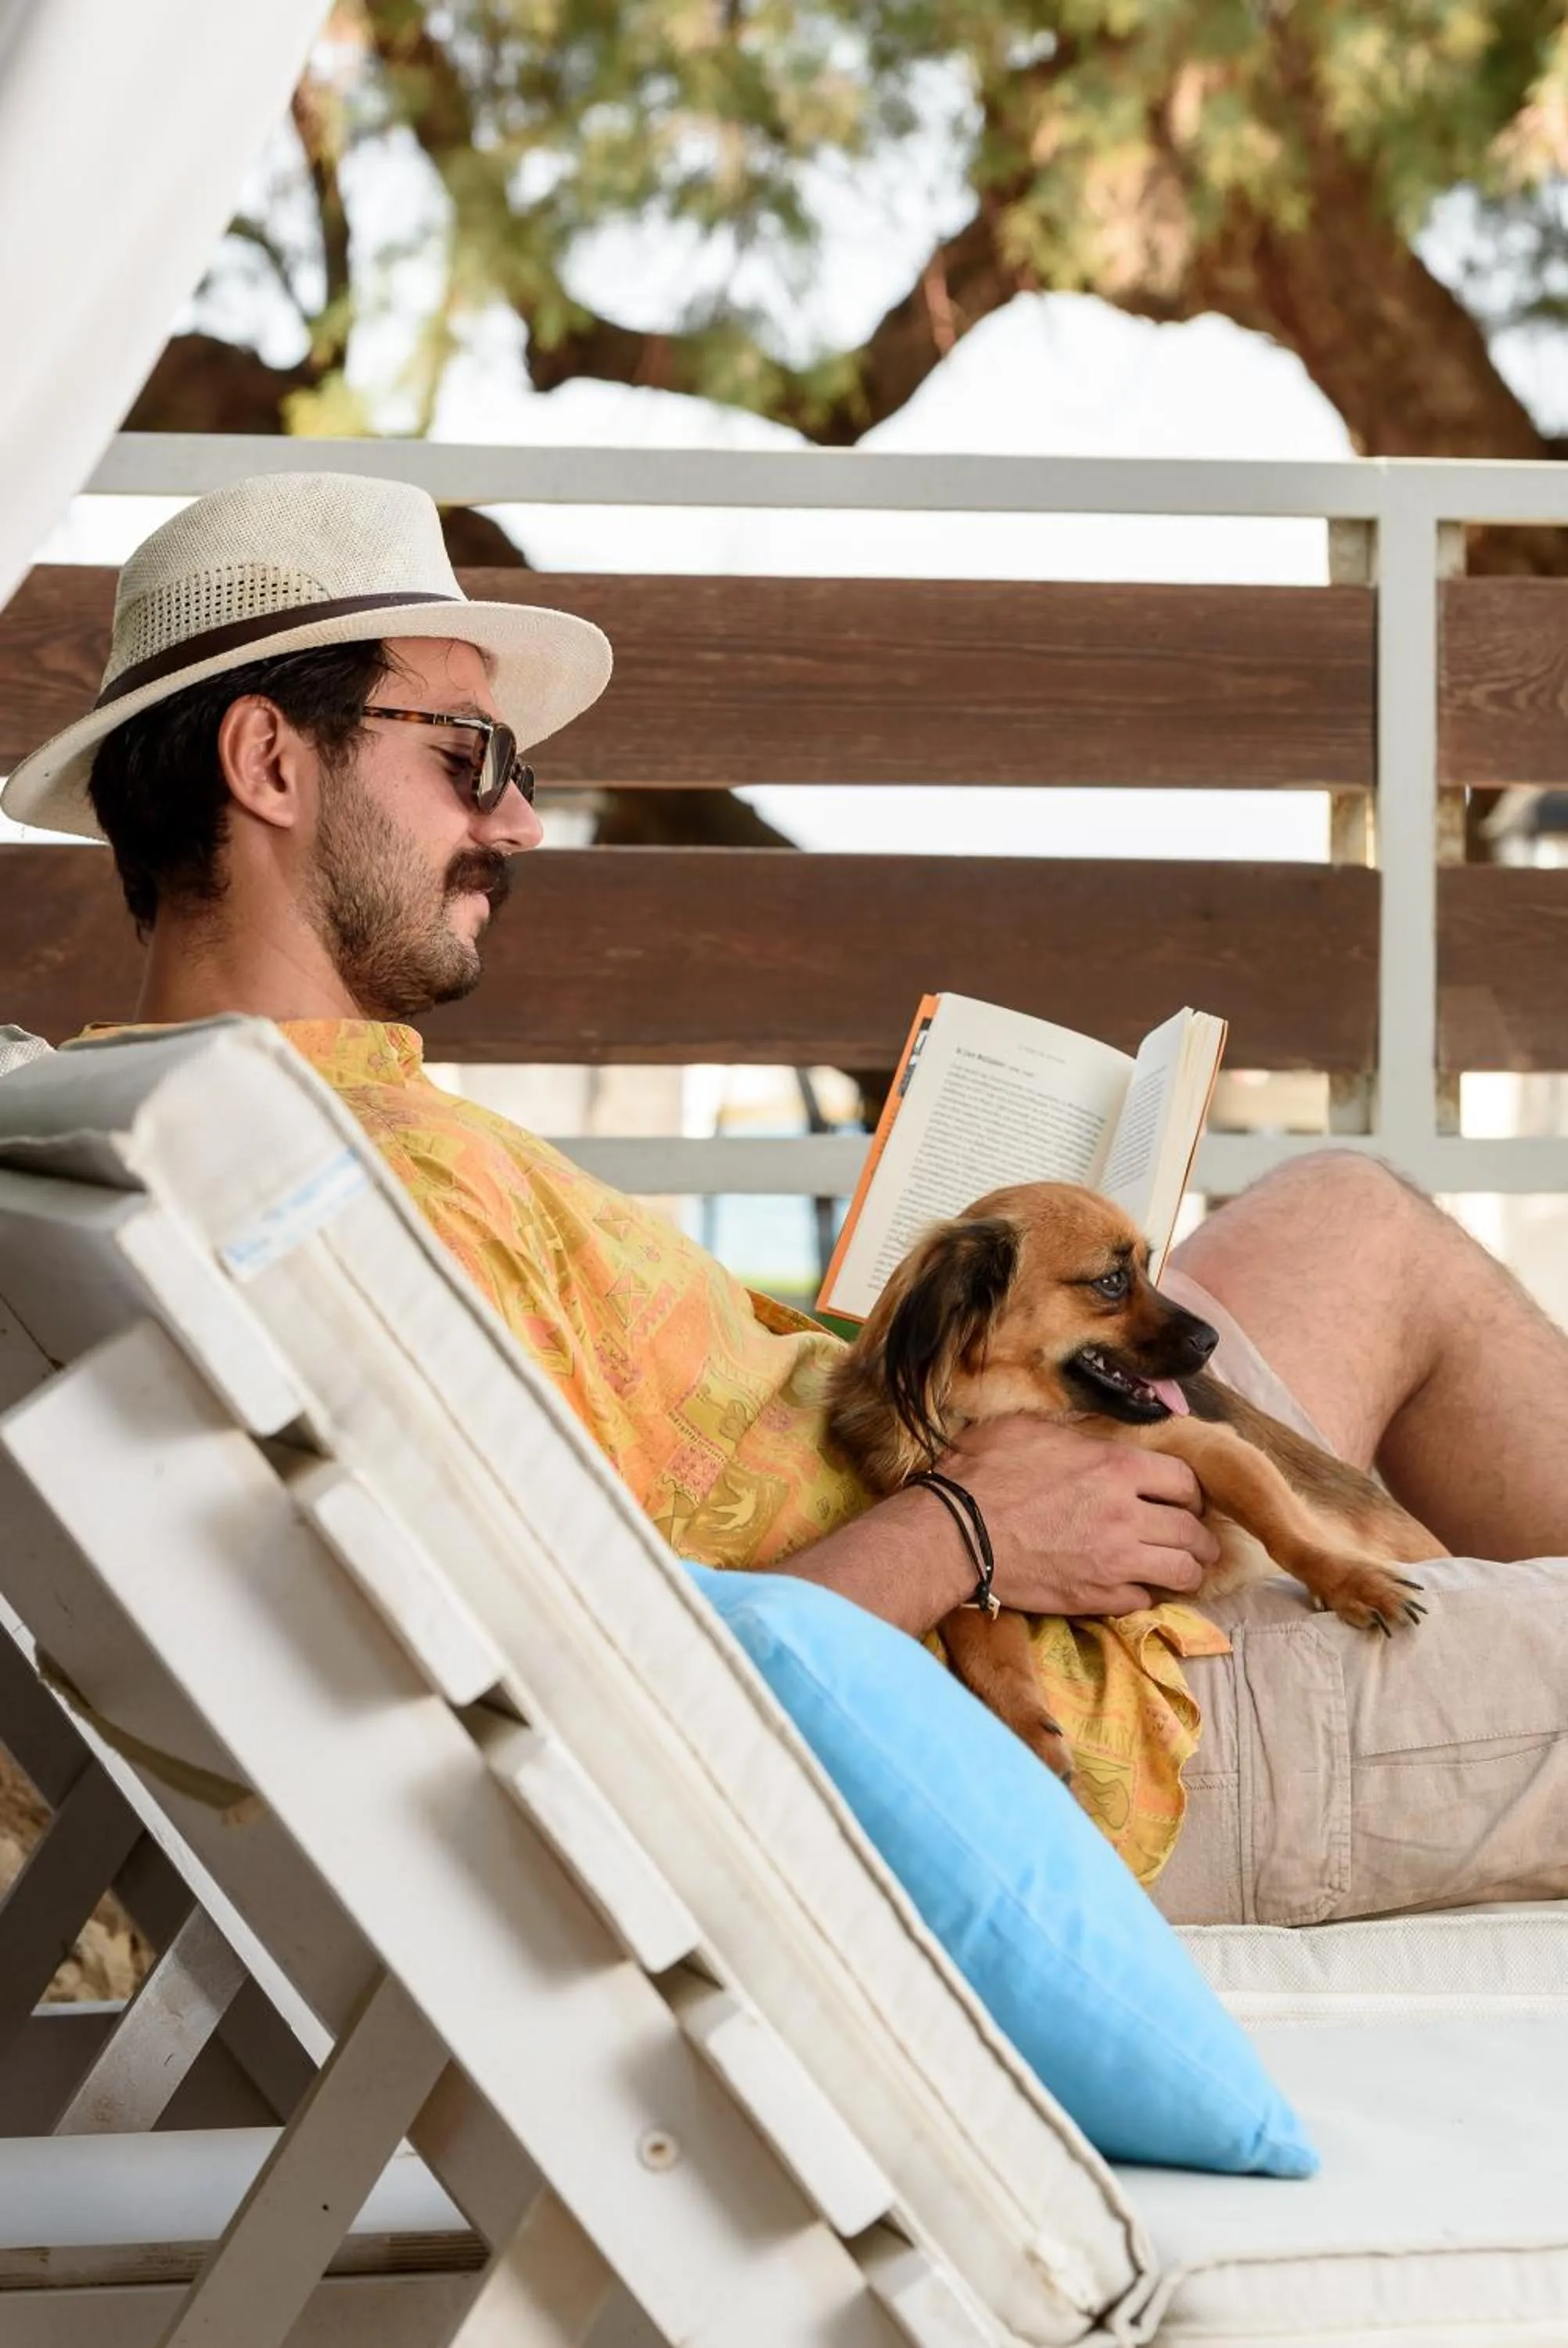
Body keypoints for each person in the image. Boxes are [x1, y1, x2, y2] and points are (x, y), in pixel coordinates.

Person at [6, 470, 1566, 1924]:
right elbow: (603, 1700)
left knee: (1351, 1217)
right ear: (269, 762)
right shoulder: (341, 1201)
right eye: (468, 755)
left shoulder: (196, 1128)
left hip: (971, 1479)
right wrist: (978, 1527)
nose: (520, 820)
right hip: (1084, 1709)